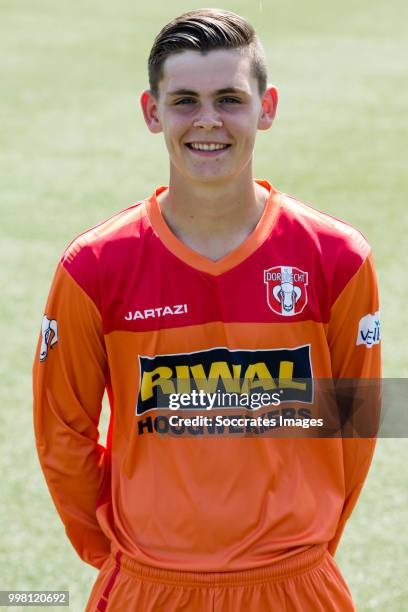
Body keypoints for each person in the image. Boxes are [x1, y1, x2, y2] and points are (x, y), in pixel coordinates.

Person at [33, 8, 381, 611]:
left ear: (266, 107)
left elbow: (356, 421)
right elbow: (62, 434)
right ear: (152, 112)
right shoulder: (93, 267)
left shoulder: (338, 258)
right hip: (150, 584)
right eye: (185, 101)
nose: (208, 121)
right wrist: (123, 556)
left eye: (229, 98)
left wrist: (301, 549)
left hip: (297, 584)